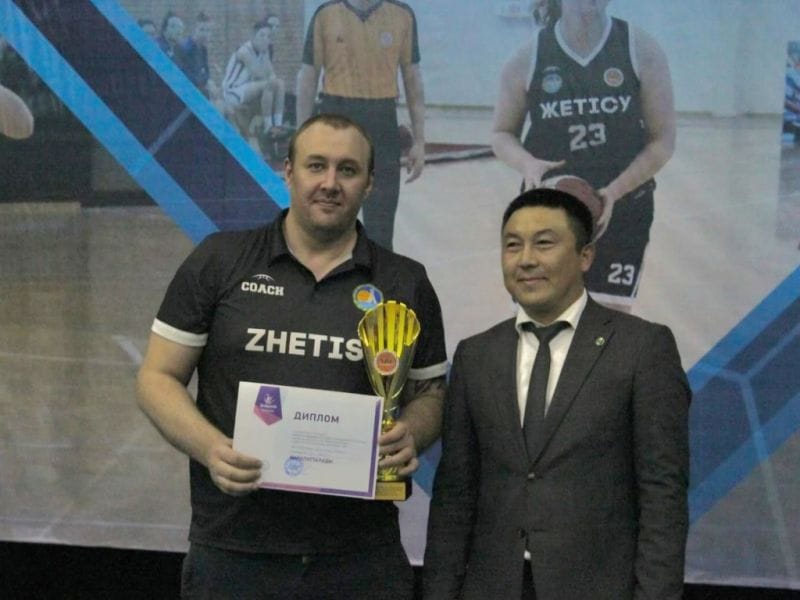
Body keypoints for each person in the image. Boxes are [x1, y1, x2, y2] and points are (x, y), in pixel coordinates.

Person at [136, 113, 448, 600]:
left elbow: (430, 392)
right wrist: (210, 449)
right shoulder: (220, 260)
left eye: (348, 170)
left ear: (369, 183)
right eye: (316, 165)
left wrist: (413, 432)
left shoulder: (404, 281)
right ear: (289, 171)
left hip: (360, 555)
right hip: (235, 549)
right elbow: (157, 378)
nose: (330, 183)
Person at [423, 188, 689, 599]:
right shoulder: (475, 355)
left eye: (544, 243)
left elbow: (663, 494)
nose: (526, 259)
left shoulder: (642, 348)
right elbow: (455, 494)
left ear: (586, 256)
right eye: (513, 245)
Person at [492, 0, 675, 312]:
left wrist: (614, 192)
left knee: (607, 322)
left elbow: (663, 141)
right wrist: (528, 164)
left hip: (624, 207)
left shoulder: (641, 49)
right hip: (548, 209)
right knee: (538, 318)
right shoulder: (528, 57)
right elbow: (501, 134)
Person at [295, 0, 426, 251]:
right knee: (329, 224)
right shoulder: (325, 14)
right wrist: (301, 137)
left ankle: (375, 276)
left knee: (381, 230)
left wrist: (419, 142)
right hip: (336, 121)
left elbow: (413, 79)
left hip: (382, 124)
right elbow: (308, 76)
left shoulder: (402, 15)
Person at [221, 16, 288, 141]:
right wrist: (270, 76)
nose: (265, 39)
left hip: (247, 90)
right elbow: (258, 74)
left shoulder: (263, 51)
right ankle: (268, 126)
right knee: (270, 84)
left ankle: (277, 124)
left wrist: (274, 80)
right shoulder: (244, 51)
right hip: (232, 92)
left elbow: (272, 74)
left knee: (280, 83)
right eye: (262, 35)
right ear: (253, 36)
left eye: (268, 37)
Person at [176, 12, 218, 100]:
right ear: (195, 29)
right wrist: (206, 82)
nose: (205, 34)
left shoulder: (203, 49)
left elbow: (206, 72)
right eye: (201, 30)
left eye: (208, 30)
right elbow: (186, 77)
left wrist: (208, 81)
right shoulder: (186, 48)